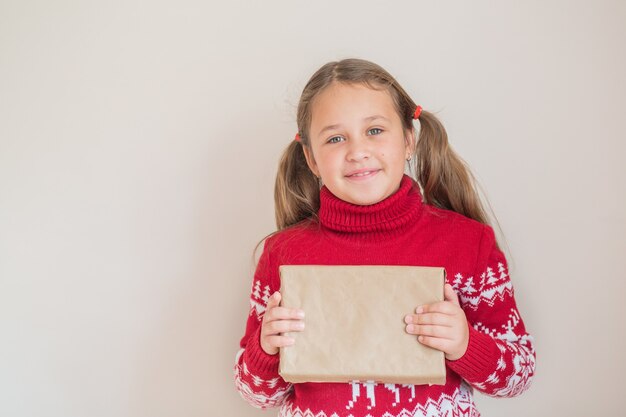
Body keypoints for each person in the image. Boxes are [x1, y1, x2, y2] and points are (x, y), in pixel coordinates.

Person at [233, 58, 535, 417]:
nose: (357, 151)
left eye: (375, 130)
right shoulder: (283, 253)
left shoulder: (469, 242)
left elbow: (519, 375)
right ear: (311, 159)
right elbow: (256, 395)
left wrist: (465, 345)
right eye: (335, 138)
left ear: (409, 139)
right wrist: (265, 349)